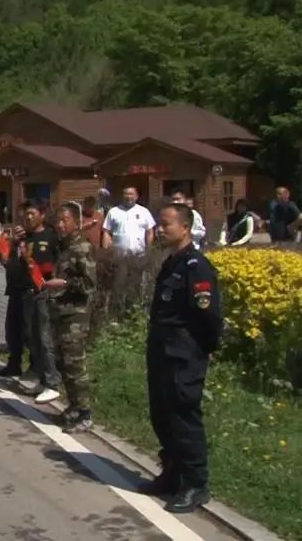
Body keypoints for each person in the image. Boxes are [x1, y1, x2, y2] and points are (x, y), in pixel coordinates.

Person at [141, 203, 223, 513]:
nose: (160, 229)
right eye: (159, 224)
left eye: (166, 224)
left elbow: (209, 316)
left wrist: (206, 349)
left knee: (184, 417)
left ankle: (196, 484)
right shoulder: (172, 263)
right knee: (162, 415)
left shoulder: (196, 266)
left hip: (184, 353)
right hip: (162, 350)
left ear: (185, 228)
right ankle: (172, 473)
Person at [43, 203, 96, 433]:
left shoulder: (81, 247)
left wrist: (63, 284)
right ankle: (74, 406)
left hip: (76, 316)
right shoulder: (63, 247)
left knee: (75, 365)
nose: (61, 225)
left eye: (65, 220)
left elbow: (89, 284)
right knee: (63, 363)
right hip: (60, 313)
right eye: (58, 221)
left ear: (76, 222)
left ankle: (85, 413)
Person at [7, 202, 61, 404]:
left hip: (44, 292)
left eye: (31, 214)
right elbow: (12, 266)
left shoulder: (51, 236)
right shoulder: (23, 239)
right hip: (25, 293)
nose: (27, 218)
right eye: (25, 215)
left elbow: (56, 263)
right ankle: (39, 376)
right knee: (32, 338)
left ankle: (52, 383)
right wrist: (13, 246)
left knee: (44, 338)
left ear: (42, 215)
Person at [103, 186, 156, 253]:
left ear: (137, 196)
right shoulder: (113, 211)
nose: (128, 196)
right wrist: (105, 251)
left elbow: (149, 232)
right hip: (118, 255)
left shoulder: (144, 211)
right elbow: (106, 232)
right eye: (126, 194)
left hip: (139, 255)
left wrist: (148, 250)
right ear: (122, 196)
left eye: (131, 194)